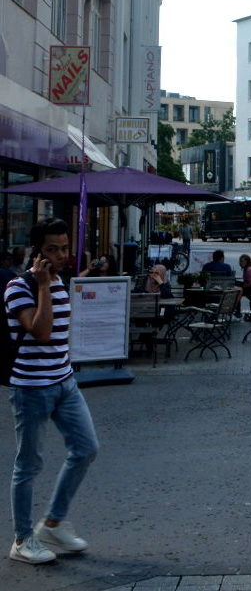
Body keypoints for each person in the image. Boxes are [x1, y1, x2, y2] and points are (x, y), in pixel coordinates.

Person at [4, 218, 100, 565]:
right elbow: (41, 332)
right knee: (28, 465)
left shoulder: (58, 281)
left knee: (86, 449)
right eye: (52, 249)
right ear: (37, 250)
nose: (61, 255)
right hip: (31, 387)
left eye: (64, 248)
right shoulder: (19, 287)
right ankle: (22, 539)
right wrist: (42, 286)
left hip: (64, 382)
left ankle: (53, 524)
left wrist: (49, 283)